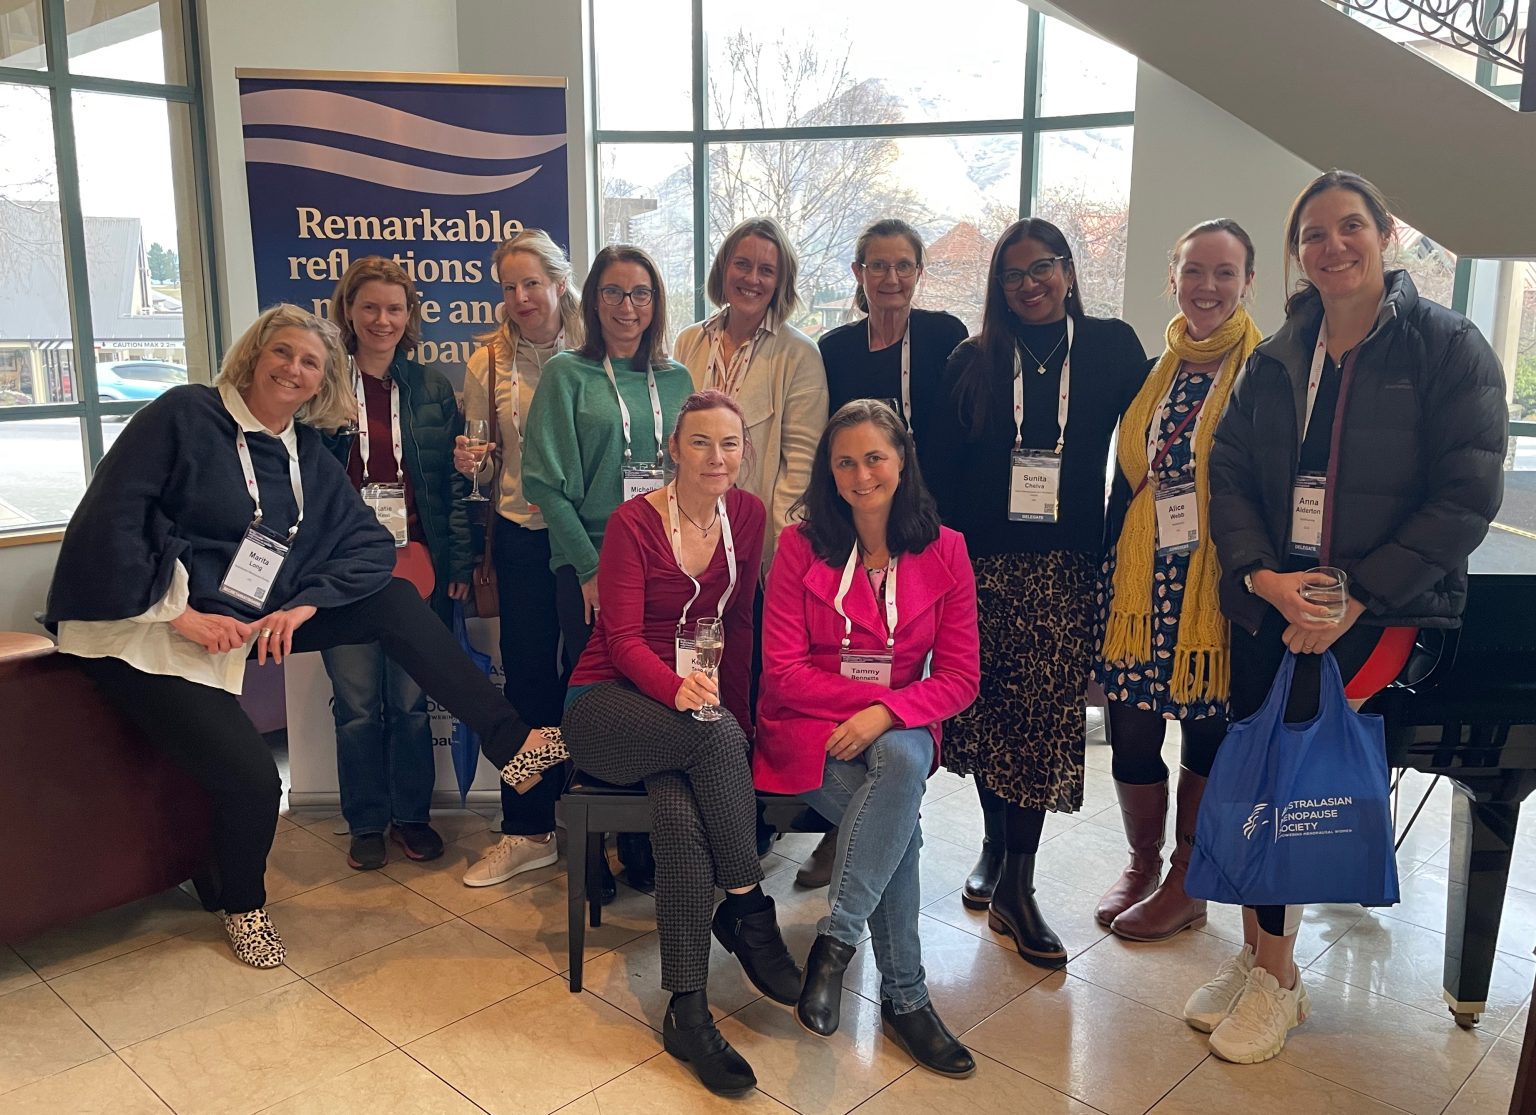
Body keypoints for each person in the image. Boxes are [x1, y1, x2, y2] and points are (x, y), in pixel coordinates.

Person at [42, 304, 569, 970]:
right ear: (255, 352)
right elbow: (110, 519)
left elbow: (368, 546)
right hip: (143, 628)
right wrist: (178, 613)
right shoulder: (184, 415)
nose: (294, 369)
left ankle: (512, 743)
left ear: (324, 381)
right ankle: (244, 905)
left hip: (243, 618)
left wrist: (306, 605)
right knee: (255, 782)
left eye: (311, 362)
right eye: (283, 352)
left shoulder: (303, 452)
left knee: (393, 600)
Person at [1186, 170, 1506, 1063]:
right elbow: (1232, 473)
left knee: (1291, 771)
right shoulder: (1283, 350)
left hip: (1379, 610)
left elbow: (1465, 494)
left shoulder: (1449, 347)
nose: (1332, 247)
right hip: (1272, 601)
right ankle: (1257, 959)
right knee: (1249, 767)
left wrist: (1356, 592)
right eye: (1314, 234)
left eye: (1349, 227)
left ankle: (1281, 980)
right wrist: (1258, 575)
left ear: (1386, 233)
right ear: (1298, 252)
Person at [561, 391, 799, 1099]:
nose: (716, 457)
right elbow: (621, 638)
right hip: (607, 702)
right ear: (673, 446)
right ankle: (748, 907)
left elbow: (744, 625)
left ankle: (687, 1010)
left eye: (729, 443)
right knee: (711, 741)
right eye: (701, 442)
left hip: (693, 713)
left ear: (744, 451)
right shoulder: (633, 523)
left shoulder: (749, 515)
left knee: (679, 808)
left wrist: (743, 717)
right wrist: (680, 695)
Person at [923, 218, 1148, 967]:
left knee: (1041, 721)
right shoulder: (973, 358)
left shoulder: (1114, 349)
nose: (1030, 283)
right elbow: (943, 475)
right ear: (999, 288)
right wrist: (941, 575)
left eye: (1043, 267)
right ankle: (996, 848)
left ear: (1069, 270)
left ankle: (1019, 884)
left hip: (1066, 568)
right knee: (991, 715)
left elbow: (1150, 443)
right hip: (983, 569)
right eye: (1014, 274)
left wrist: (1122, 530)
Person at [757, 399, 981, 1077]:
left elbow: (962, 675)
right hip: (807, 734)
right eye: (845, 461)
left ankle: (837, 941)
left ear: (902, 460)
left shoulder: (947, 549)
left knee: (903, 756)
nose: (861, 473)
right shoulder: (799, 548)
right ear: (829, 472)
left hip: (898, 729)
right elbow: (784, 673)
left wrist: (887, 714)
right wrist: (882, 703)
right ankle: (905, 997)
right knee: (900, 828)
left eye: (874, 457)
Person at [1091, 220, 1262, 940]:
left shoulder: (1266, 369)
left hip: (1215, 580)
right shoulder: (1155, 369)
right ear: (1173, 277)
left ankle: (1187, 880)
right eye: (1195, 271)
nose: (1208, 287)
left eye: (1225, 273)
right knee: (1130, 726)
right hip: (1141, 577)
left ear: (1249, 282)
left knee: (1204, 728)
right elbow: (1130, 473)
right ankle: (1141, 859)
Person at [798, 219, 968, 889]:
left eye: (903, 265)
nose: (890, 278)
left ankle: (869, 823)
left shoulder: (944, 336)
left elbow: (961, 434)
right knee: (846, 662)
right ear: (858, 274)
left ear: (919, 272)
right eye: (877, 266)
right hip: (854, 527)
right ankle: (845, 827)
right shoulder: (835, 347)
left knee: (907, 676)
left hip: (923, 530)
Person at [319, 257, 471, 871]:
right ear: (348, 312)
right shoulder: (323, 384)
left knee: (409, 702)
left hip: (415, 564)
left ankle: (412, 816)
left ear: (410, 316)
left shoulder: (430, 388)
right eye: (371, 307)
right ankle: (365, 821)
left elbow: (450, 485)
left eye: (395, 308)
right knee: (356, 704)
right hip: (340, 569)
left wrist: (457, 558)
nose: (383, 320)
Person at [453, 230, 584, 888]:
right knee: (529, 679)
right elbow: (480, 450)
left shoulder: (595, 349)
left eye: (532, 283)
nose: (520, 297)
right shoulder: (489, 360)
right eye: (508, 287)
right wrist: (468, 459)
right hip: (523, 533)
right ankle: (527, 828)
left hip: (589, 537)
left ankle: (596, 822)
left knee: (593, 678)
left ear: (560, 282)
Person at [674, 216, 828, 575]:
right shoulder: (688, 342)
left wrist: (781, 559)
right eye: (742, 264)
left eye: (766, 270)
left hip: (755, 548)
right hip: (686, 535)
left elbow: (800, 469)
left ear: (781, 281)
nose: (752, 279)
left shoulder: (800, 356)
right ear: (724, 268)